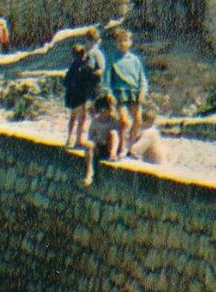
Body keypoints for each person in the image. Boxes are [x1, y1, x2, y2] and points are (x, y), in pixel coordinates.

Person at [106, 26, 150, 159]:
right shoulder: (112, 59)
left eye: (125, 40)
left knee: (138, 119)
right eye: (119, 41)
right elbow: (107, 79)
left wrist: (142, 91)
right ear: (115, 43)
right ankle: (122, 146)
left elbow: (142, 78)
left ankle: (131, 146)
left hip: (134, 93)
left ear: (130, 42)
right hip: (120, 94)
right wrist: (109, 93)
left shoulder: (135, 60)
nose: (122, 43)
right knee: (124, 121)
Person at [63, 41, 106, 147]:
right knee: (82, 118)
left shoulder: (73, 65)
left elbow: (66, 80)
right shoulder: (84, 67)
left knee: (73, 117)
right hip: (80, 95)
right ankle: (78, 140)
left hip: (72, 94)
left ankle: (69, 138)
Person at [81, 95, 122, 185]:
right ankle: (89, 174)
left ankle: (113, 154)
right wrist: (92, 142)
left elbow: (117, 135)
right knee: (89, 145)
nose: (105, 112)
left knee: (113, 133)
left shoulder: (113, 120)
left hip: (109, 146)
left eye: (107, 110)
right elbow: (91, 137)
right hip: (98, 146)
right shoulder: (95, 121)